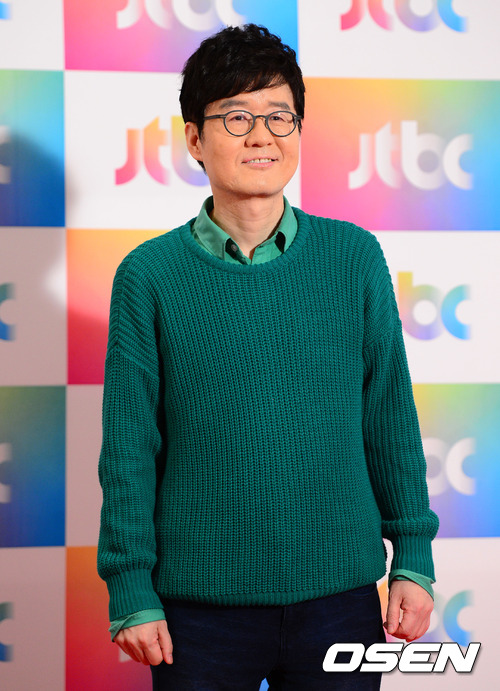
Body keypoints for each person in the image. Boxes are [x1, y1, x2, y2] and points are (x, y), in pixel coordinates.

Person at [97, 23, 439, 690]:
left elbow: (389, 417)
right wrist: (130, 586)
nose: (262, 136)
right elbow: (130, 447)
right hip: (197, 611)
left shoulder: (354, 257)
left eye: (280, 116)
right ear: (194, 139)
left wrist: (413, 557)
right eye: (237, 116)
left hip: (341, 597)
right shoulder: (149, 274)